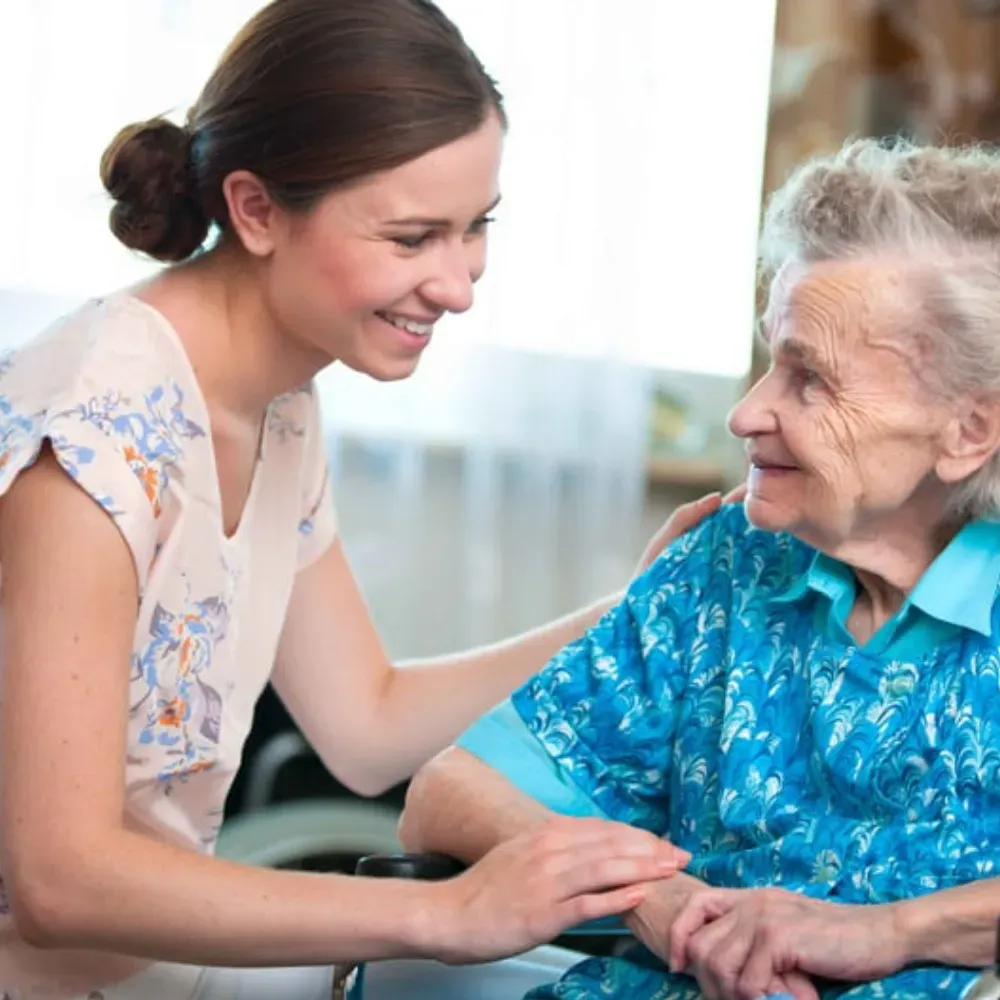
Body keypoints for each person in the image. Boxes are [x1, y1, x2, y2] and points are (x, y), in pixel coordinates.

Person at [0, 1, 723, 998]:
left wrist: (634, 613)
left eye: (477, 229)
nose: (459, 283)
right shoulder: (90, 432)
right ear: (255, 209)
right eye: (412, 236)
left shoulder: (277, 402)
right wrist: (446, 913)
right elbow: (60, 879)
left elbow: (365, 721)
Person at [400, 137, 1000, 1000]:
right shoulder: (729, 565)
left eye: (811, 380)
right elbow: (449, 795)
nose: (746, 412)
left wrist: (888, 933)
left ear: (967, 433)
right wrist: (663, 902)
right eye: (770, 360)